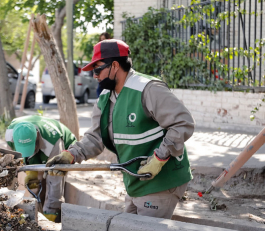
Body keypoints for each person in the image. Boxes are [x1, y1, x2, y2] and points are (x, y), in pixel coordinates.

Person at [46, 39, 195, 219]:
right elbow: (95, 138)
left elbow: (183, 123)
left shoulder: (147, 89)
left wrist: (159, 157)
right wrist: (71, 155)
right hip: (135, 180)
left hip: (161, 181)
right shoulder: (106, 98)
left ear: (115, 66)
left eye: (98, 69)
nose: (95, 76)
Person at [5, 115, 77, 222]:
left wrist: (51, 212)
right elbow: (12, 165)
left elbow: (55, 181)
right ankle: (37, 209)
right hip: (40, 147)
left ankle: (52, 211)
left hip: (65, 151)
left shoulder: (53, 142)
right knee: (35, 185)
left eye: (30, 147)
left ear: (37, 136)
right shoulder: (10, 133)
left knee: (50, 181)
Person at [96, 32, 112, 97]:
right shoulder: (99, 50)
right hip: (101, 73)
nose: (102, 41)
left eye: (104, 39)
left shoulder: (111, 50)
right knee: (99, 90)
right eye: (101, 39)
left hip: (109, 73)